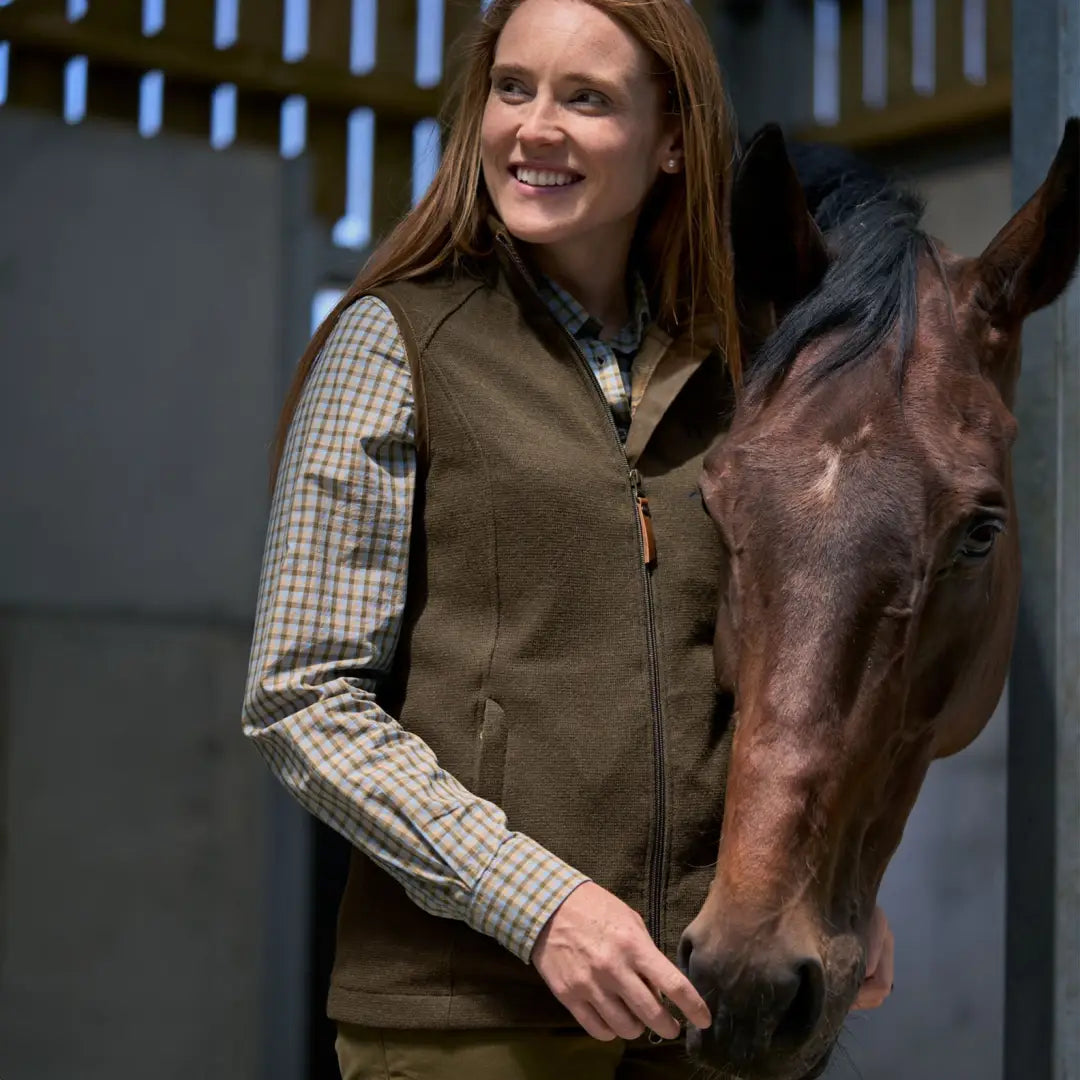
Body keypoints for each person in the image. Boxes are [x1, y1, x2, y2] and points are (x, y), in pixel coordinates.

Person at [242, 1, 893, 1077]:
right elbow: (302, 696)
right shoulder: (398, 339)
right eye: (513, 88)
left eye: (584, 98)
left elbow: (785, 673)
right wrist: (543, 910)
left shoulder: (745, 373)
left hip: (701, 1016)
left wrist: (831, 889)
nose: (533, 127)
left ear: (674, 138)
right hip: (471, 1021)